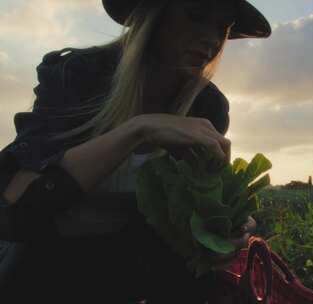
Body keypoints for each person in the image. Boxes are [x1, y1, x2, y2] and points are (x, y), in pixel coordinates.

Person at [0, 0, 271, 302]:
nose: (211, 38)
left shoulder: (208, 106)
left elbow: (179, 224)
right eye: (195, 15)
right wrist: (138, 130)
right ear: (153, 16)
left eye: (223, 27)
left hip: (135, 276)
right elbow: (16, 209)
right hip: (45, 272)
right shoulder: (79, 75)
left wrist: (220, 230)